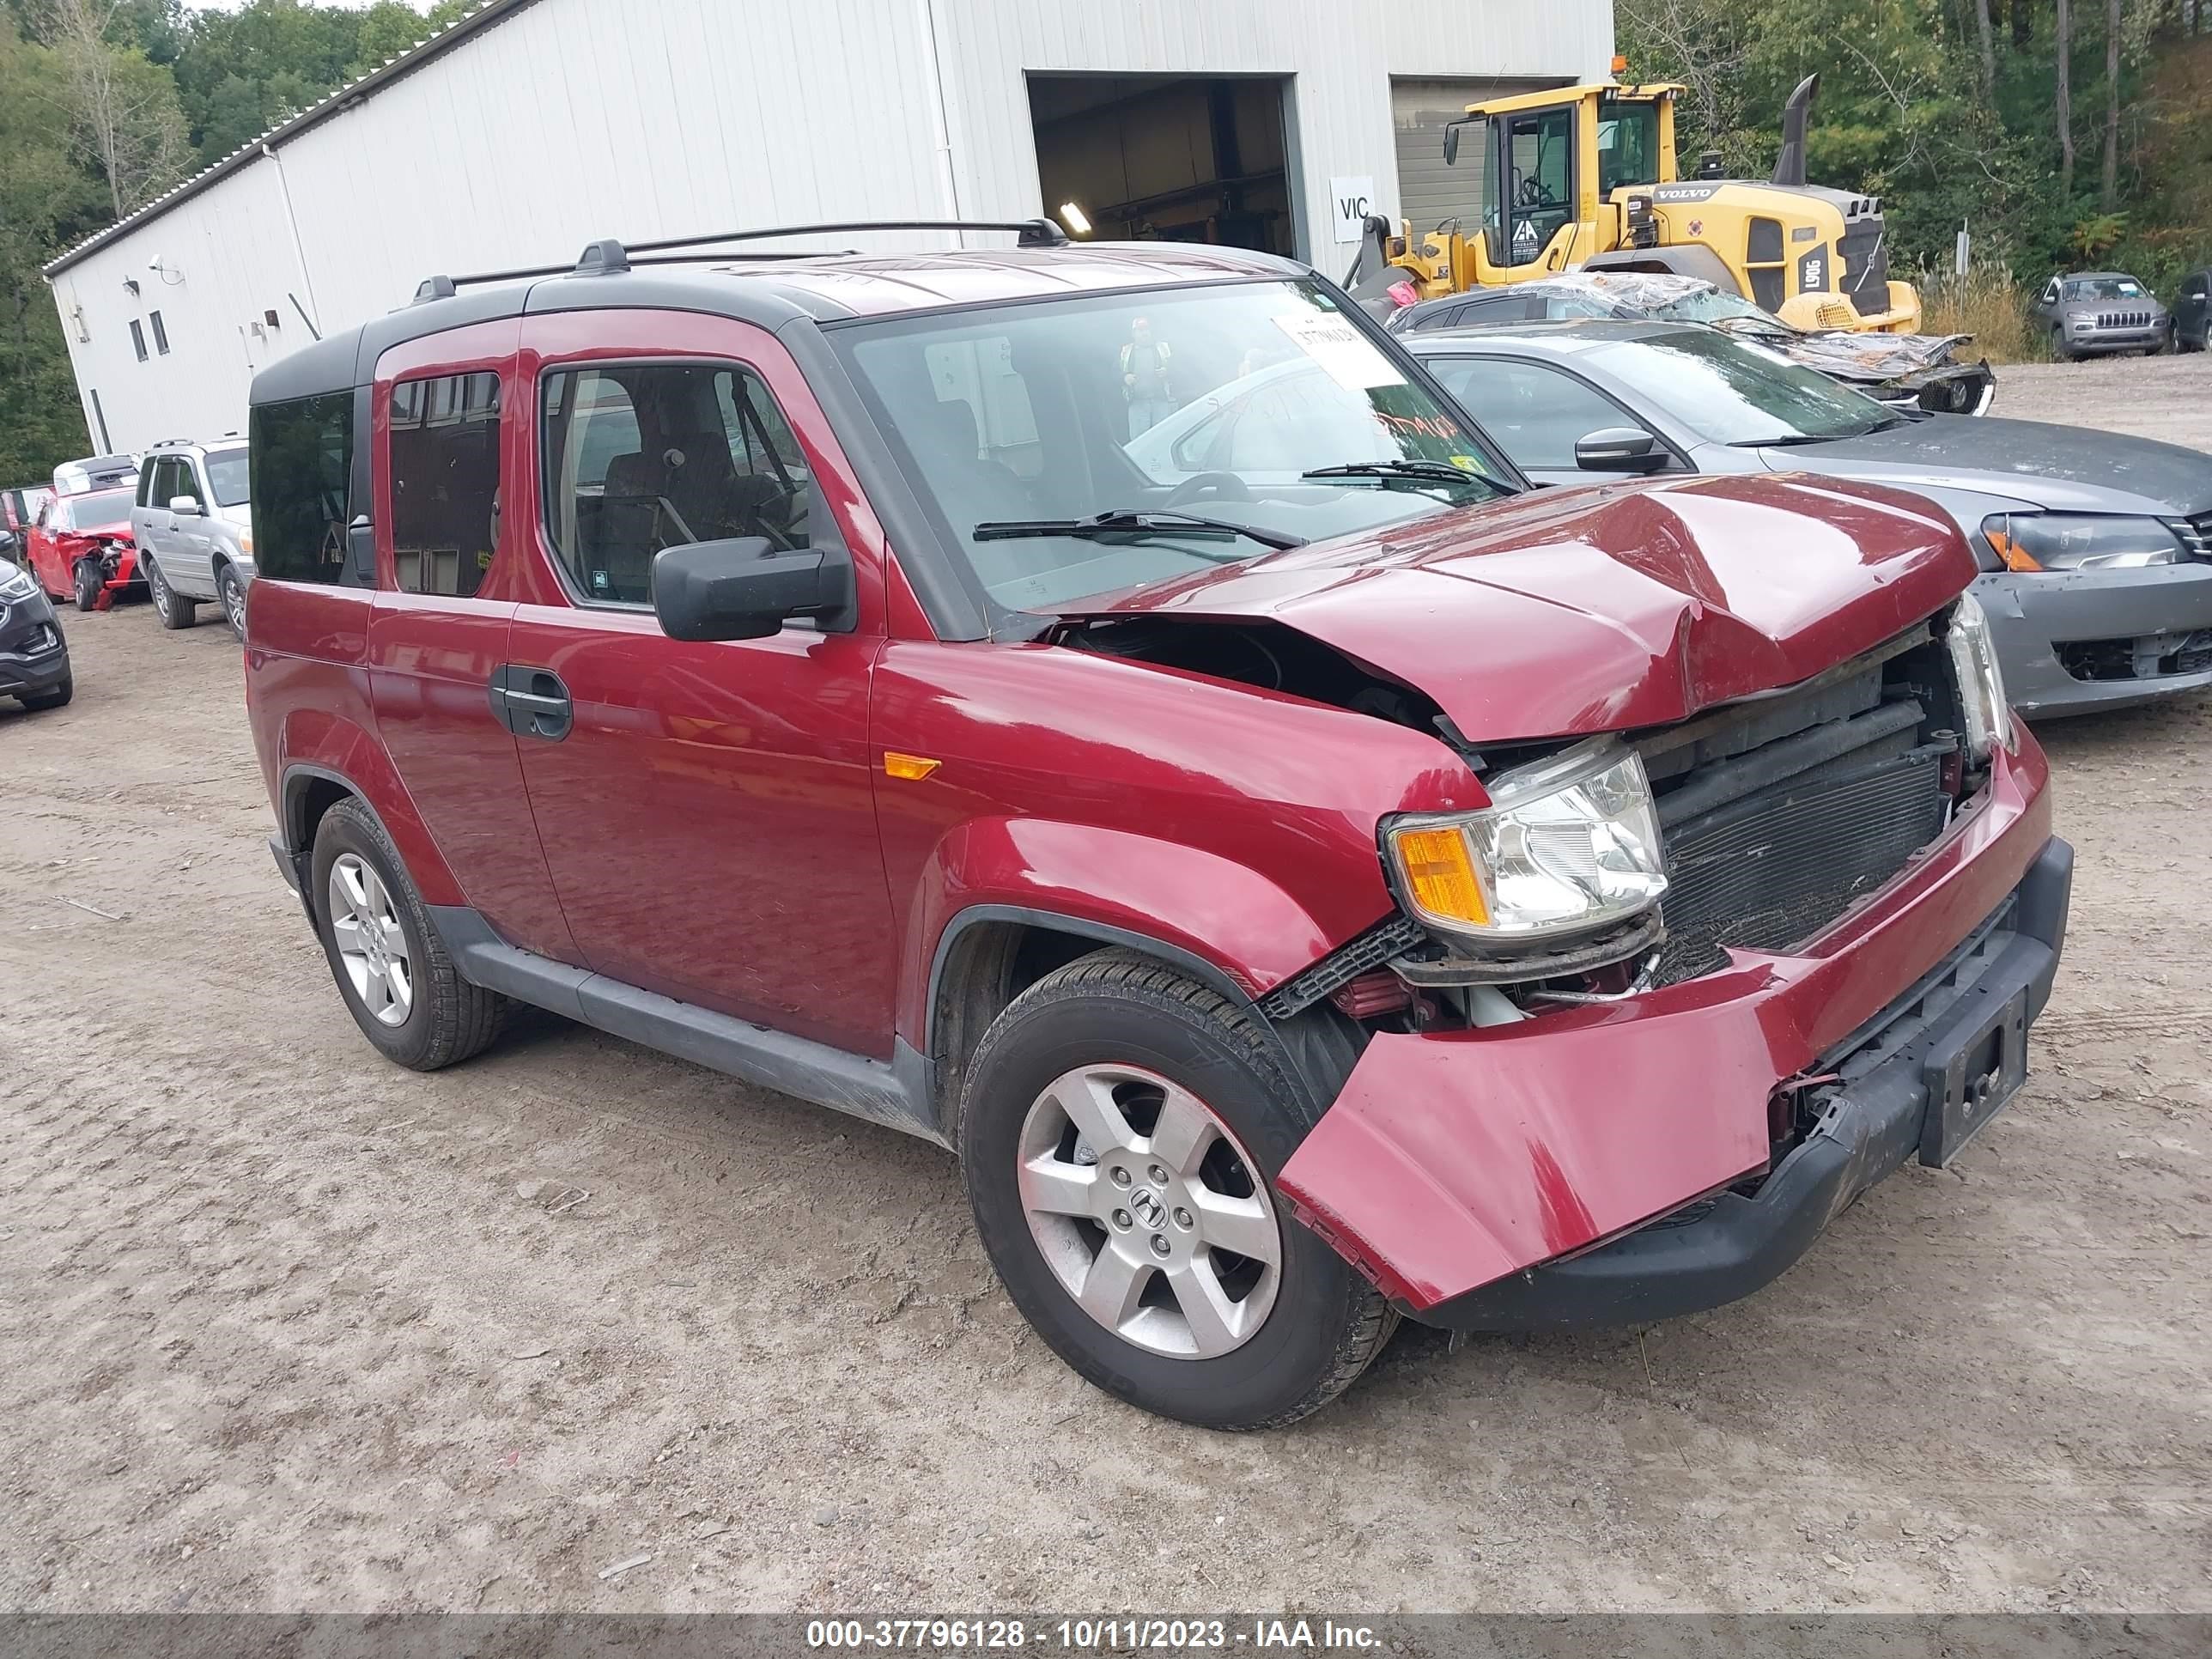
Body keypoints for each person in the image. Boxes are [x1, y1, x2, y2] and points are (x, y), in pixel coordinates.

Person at [1120, 318, 1174, 437]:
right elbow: (1113, 372)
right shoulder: (1126, 351)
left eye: (1146, 330)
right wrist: (1125, 377)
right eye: (1140, 330)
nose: (1145, 333)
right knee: (1139, 443)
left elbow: (1181, 368)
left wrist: (1168, 371)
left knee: (1163, 439)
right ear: (1133, 334)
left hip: (1162, 402)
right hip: (1137, 403)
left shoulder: (1163, 348)